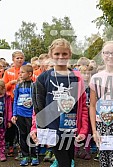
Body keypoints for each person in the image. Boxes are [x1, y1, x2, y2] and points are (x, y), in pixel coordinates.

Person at [30, 38, 89, 167]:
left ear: (70, 55)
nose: (60, 57)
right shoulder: (43, 78)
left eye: (64, 54)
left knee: (68, 160)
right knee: (64, 163)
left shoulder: (77, 78)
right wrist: (35, 128)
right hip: (52, 129)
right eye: (57, 54)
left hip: (70, 128)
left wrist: (83, 130)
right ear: (51, 55)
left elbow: (83, 106)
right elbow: (38, 107)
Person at [11, 65, 39, 166]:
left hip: (30, 115)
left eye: (22, 72)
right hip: (20, 114)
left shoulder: (34, 85)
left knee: (32, 135)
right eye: (19, 73)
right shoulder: (18, 85)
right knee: (22, 135)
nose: (20, 74)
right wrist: (14, 114)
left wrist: (35, 115)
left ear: (30, 74)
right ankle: (25, 155)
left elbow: (36, 101)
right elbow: (15, 100)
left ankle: (34, 156)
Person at [2, 50, 25, 157]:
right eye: (17, 58)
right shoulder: (8, 72)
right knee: (10, 124)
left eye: (21, 58)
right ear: (13, 59)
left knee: (20, 125)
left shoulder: (26, 71)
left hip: (22, 102)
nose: (19, 60)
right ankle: (10, 145)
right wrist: (11, 83)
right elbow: (2, 87)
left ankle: (21, 146)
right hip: (10, 101)